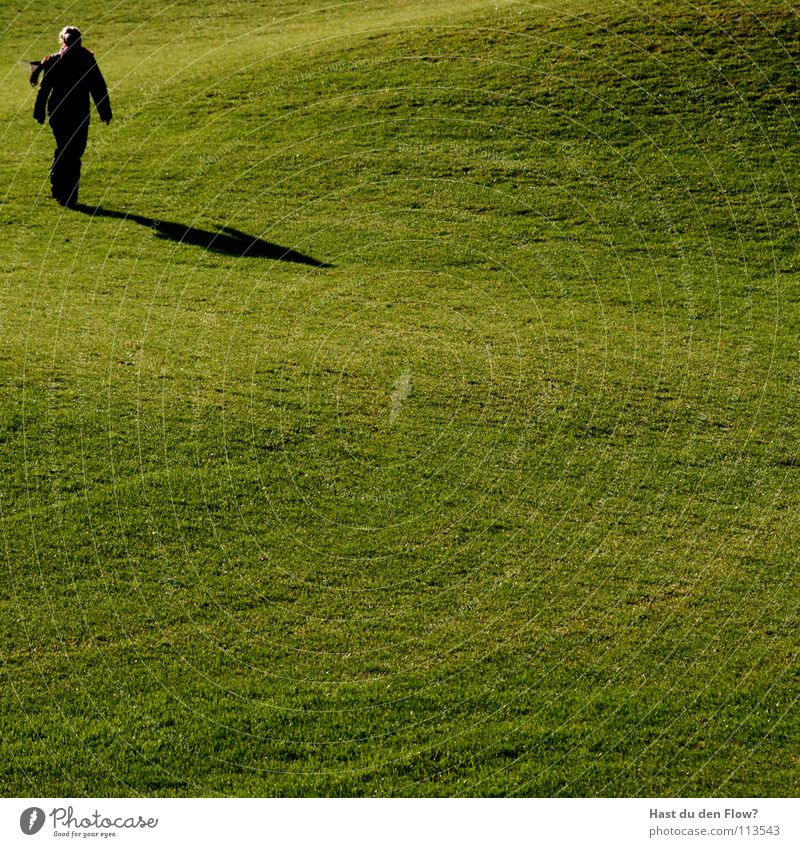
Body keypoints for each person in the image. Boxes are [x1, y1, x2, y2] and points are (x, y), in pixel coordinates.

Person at [32, 26, 112, 207]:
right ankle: (67, 193)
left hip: (59, 112)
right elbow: (98, 87)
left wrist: (39, 113)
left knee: (67, 149)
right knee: (74, 152)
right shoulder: (86, 60)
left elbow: (44, 89)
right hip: (79, 112)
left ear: (62, 40)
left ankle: (61, 188)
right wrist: (105, 112)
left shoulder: (54, 60)